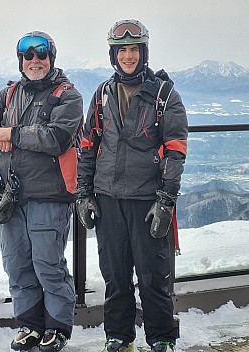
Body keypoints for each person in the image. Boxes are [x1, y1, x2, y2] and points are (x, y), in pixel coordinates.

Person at [0, 31, 84, 352]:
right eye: (28, 56)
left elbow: (56, 138)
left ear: (51, 58)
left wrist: (11, 133)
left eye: (41, 54)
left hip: (50, 194)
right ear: (21, 60)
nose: (35, 61)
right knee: (17, 264)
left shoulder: (68, 96)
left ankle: (57, 329)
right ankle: (30, 326)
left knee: (48, 264)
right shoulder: (10, 94)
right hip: (11, 196)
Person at [76, 19, 188, 352]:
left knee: (153, 277)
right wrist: (84, 195)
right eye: (122, 50)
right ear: (114, 55)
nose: (128, 56)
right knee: (116, 276)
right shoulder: (102, 94)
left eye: (134, 50)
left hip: (146, 199)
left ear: (144, 53)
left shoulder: (165, 95)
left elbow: (176, 150)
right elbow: (87, 147)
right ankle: (118, 336)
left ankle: (161, 337)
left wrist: (166, 200)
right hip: (108, 198)